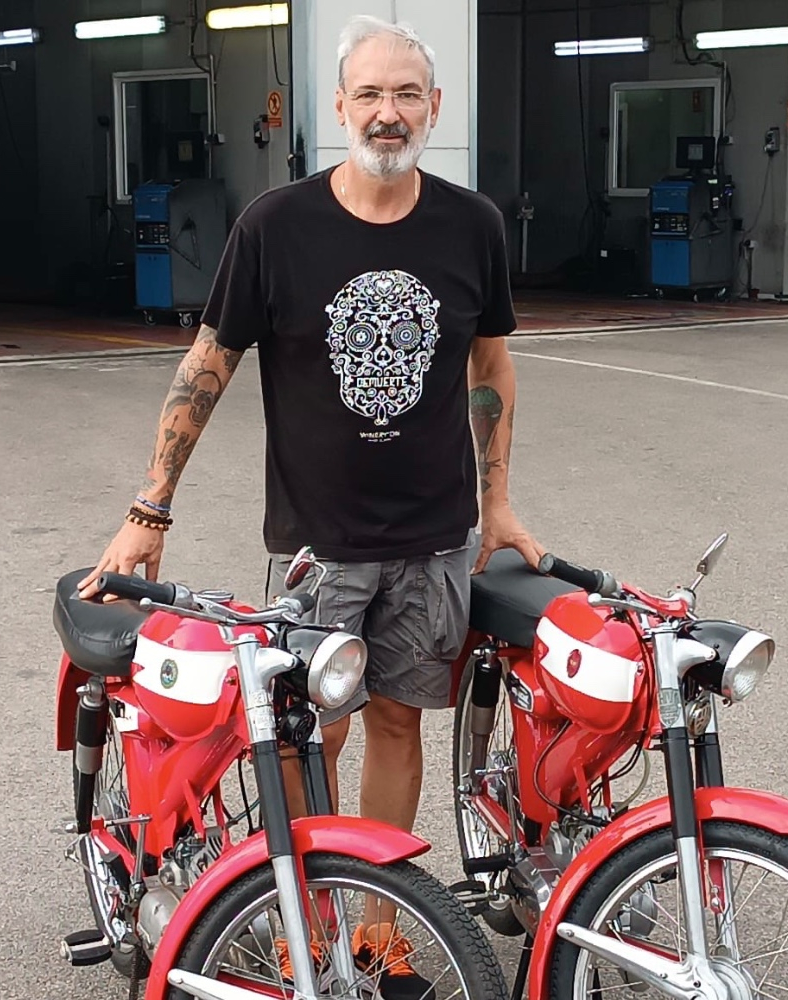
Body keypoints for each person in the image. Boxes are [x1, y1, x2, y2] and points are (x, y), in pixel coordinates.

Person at [79, 14, 541, 997]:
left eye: (406, 94)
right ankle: (308, 924)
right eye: (369, 94)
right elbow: (208, 363)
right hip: (317, 546)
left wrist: (497, 501)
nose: (387, 112)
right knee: (308, 734)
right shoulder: (275, 226)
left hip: (433, 537)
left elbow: (490, 364)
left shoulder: (472, 225)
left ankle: (378, 932)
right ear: (339, 107)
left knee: (398, 724)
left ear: (434, 107)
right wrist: (149, 508)